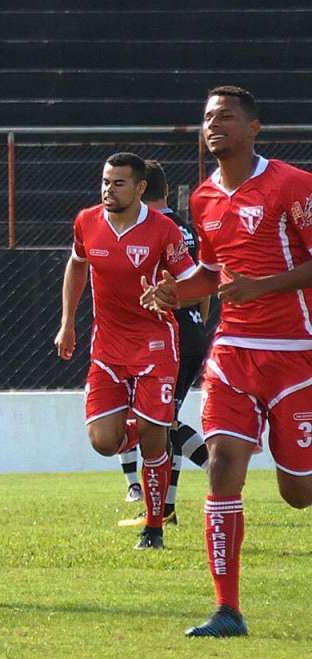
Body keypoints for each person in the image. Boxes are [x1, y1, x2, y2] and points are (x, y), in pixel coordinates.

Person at [142, 86, 312, 637]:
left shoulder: (292, 184)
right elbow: (211, 274)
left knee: (298, 494)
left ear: (254, 127)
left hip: (296, 354)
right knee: (220, 468)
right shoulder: (203, 198)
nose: (213, 125)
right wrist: (175, 291)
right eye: (208, 117)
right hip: (233, 352)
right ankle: (227, 610)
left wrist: (263, 286)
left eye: (226, 117)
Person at [55, 152, 197, 550]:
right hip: (108, 347)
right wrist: (68, 322)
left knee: (152, 443)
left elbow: (190, 281)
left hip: (155, 346)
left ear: (139, 188)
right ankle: (158, 426)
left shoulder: (163, 230)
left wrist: (171, 296)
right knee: (103, 441)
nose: (108, 189)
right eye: (104, 181)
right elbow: (77, 263)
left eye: (118, 183)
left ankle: (153, 527)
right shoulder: (87, 222)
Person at [117, 160, 211, 522]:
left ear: (140, 190)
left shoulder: (149, 229)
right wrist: (197, 322)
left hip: (163, 337)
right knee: (164, 420)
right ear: (167, 191)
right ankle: (165, 509)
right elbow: (202, 282)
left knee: (154, 421)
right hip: (192, 333)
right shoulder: (188, 227)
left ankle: (214, 464)